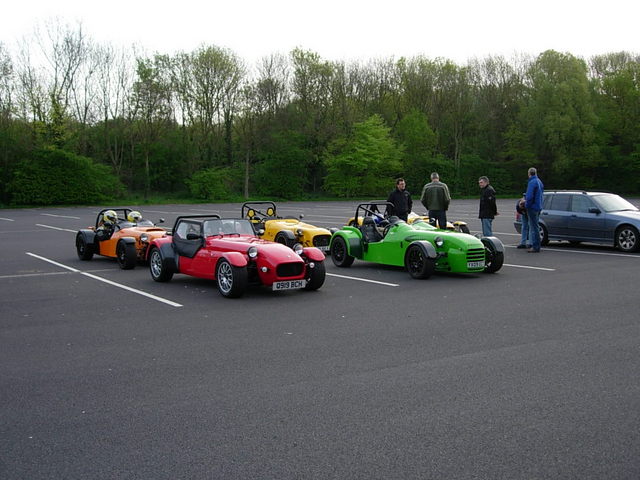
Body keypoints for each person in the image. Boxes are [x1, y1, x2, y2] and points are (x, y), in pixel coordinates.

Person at [525, 167, 544, 253]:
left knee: (533, 227)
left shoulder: (532, 182)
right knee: (536, 227)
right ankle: (537, 245)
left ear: (529, 174)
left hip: (532, 207)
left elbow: (529, 196)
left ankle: (535, 246)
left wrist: (526, 205)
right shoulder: (539, 181)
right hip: (538, 206)